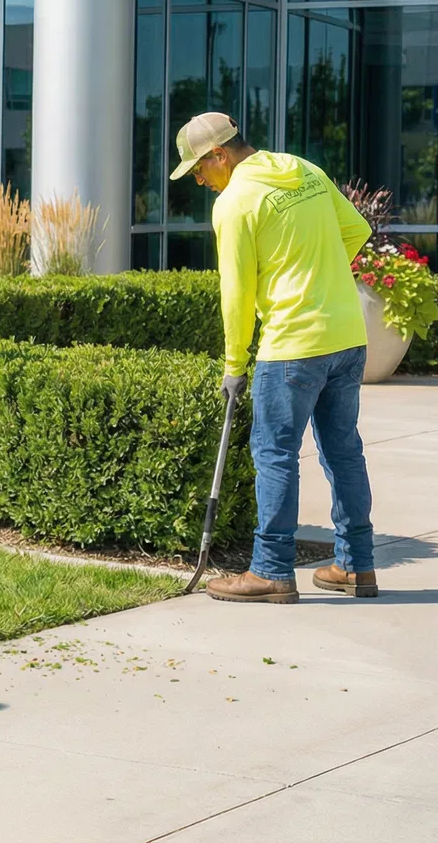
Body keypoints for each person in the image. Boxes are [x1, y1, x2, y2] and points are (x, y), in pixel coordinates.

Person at [169, 111, 379, 604]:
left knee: (275, 455)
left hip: (292, 345)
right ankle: (357, 566)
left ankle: (271, 572)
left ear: (219, 154)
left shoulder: (235, 203)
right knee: (344, 451)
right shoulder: (304, 170)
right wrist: (317, 271)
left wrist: (233, 365)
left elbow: (236, 294)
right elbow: (356, 230)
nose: (199, 180)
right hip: (347, 336)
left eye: (198, 169)